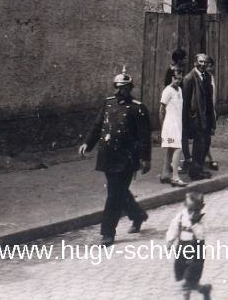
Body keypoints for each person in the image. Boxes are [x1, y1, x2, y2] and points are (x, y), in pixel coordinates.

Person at [79, 67, 151, 246]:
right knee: (117, 191)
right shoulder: (108, 103)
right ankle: (138, 215)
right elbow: (97, 126)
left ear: (130, 89)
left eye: (125, 88)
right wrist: (87, 143)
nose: (121, 91)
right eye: (118, 87)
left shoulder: (138, 108)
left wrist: (146, 158)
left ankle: (107, 233)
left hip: (127, 157)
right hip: (108, 155)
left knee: (114, 194)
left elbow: (144, 136)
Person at [166, 191, 211, 300]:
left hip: (196, 255)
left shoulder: (202, 219)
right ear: (185, 206)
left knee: (187, 282)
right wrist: (170, 240)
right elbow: (174, 227)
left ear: (202, 207)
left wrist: (195, 223)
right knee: (183, 280)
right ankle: (203, 289)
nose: (192, 213)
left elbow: (201, 236)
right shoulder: (181, 216)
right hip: (181, 252)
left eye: (196, 210)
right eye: (190, 210)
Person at [182, 54, 216, 181]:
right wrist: (186, 121)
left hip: (206, 115)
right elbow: (185, 102)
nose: (203, 64)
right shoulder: (189, 78)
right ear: (195, 63)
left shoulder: (207, 76)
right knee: (199, 143)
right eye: (200, 62)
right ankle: (195, 171)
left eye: (205, 62)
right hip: (195, 117)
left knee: (206, 142)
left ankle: (199, 168)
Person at [160, 67, 187, 187]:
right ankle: (175, 177)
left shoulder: (179, 90)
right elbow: (161, 110)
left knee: (170, 149)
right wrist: (162, 127)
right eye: (175, 78)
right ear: (171, 77)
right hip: (170, 125)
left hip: (177, 123)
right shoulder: (167, 91)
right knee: (178, 148)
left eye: (180, 78)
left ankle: (165, 175)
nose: (178, 81)